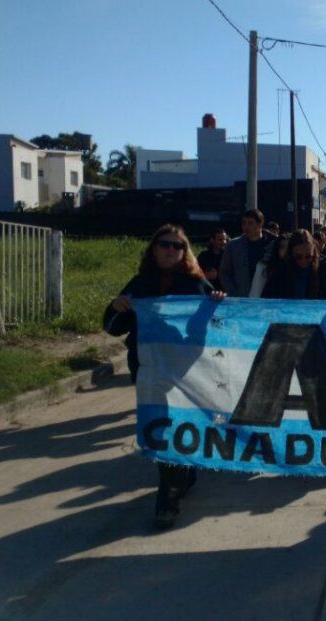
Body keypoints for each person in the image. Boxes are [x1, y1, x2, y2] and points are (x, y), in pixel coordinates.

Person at [103, 224, 225, 529]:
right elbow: (113, 327)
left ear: (185, 252)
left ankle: (168, 497)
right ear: (154, 249)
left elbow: (214, 326)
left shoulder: (195, 284)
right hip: (148, 367)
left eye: (177, 246)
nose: (171, 250)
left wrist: (217, 302)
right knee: (160, 427)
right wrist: (117, 307)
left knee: (174, 425)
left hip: (182, 370)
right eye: (165, 244)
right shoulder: (140, 284)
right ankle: (178, 479)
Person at [262, 230, 326, 300]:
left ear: (314, 253)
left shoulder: (324, 269)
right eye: (298, 257)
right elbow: (268, 299)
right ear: (291, 254)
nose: (304, 261)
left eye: (308, 257)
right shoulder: (280, 270)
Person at [219, 209, 276, 297]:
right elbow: (224, 273)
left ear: (260, 224)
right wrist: (233, 293)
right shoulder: (233, 246)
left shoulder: (273, 245)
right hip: (241, 298)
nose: (246, 227)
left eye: (250, 223)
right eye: (244, 223)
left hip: (267, 298)